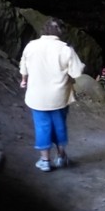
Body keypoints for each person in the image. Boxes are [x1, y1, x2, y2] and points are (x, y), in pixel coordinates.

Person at [19, 18, 85, 172]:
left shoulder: (31, 46)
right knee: (59, 126)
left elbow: (24, 66)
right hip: (59, 97)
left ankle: (45, 161)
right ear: (61, 32)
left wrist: (24, 80)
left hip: (37, 96)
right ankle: (61, 157)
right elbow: (76, 72)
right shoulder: (66, 49)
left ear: (44, 30)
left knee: (42, 126)